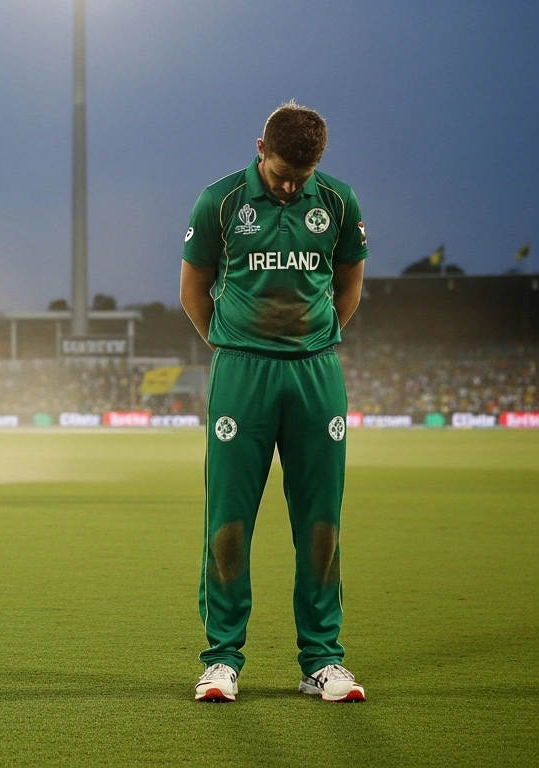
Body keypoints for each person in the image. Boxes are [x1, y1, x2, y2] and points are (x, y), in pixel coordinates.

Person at [181, 101, 368, 703]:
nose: (290, 185)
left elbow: (349, 282)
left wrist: (315, 338)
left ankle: (321, 661)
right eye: (283, 171)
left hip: (316, 374)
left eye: (302, 176)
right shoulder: (220, 201)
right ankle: (221, 660)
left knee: (321, 521)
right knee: (228, 522)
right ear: (260, 147)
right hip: (242, 372)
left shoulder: (338, 202)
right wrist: (231, 343)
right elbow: (193, 287)